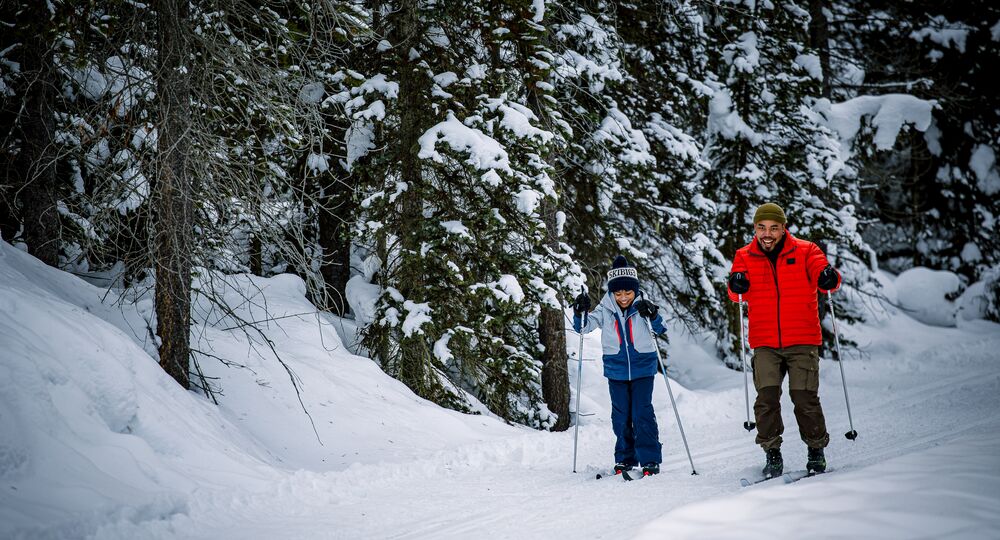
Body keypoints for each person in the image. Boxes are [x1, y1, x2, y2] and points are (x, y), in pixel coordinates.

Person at [727, 202, 842, 478]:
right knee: (766, 399)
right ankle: (772, 453)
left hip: (802, 338)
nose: (767, 234)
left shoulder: (805, 250)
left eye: (773, 228)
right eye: (761, 228)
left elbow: (826, 276)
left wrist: (828, 276)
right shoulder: (744, 255)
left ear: (783, 228)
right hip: (765, 341)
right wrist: (736, 283)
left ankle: (816, 450)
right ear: (755, 228)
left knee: (804, 398)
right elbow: (735, 293)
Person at [572, 255, 667, 477]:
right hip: (616, 369)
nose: (623, 297)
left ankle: (650, 458)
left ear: (635, 290)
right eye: (618, 293)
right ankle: (625, 458)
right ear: (611, 292)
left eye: (628, 292)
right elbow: (584, 327)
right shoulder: (605, 309)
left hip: (643, 367)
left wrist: (652, 315)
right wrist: (579, 312)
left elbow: (660, 328)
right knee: (621, 415)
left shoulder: (643, 306)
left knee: (641, 412)